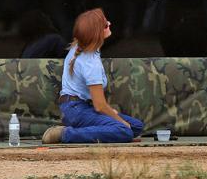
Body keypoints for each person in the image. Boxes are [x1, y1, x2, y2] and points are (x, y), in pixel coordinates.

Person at [41, 8, 144, 144]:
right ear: (97, 33)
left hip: (79, 107)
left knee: (137, 127)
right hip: (76, 110)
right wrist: (120, 122)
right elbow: (100, 106)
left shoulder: (80, 46)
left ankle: (96, 129)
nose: (109, 23)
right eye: (105, 24)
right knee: (124, 130)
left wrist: (113, 116)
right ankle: (64, 134)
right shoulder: (90, 63)